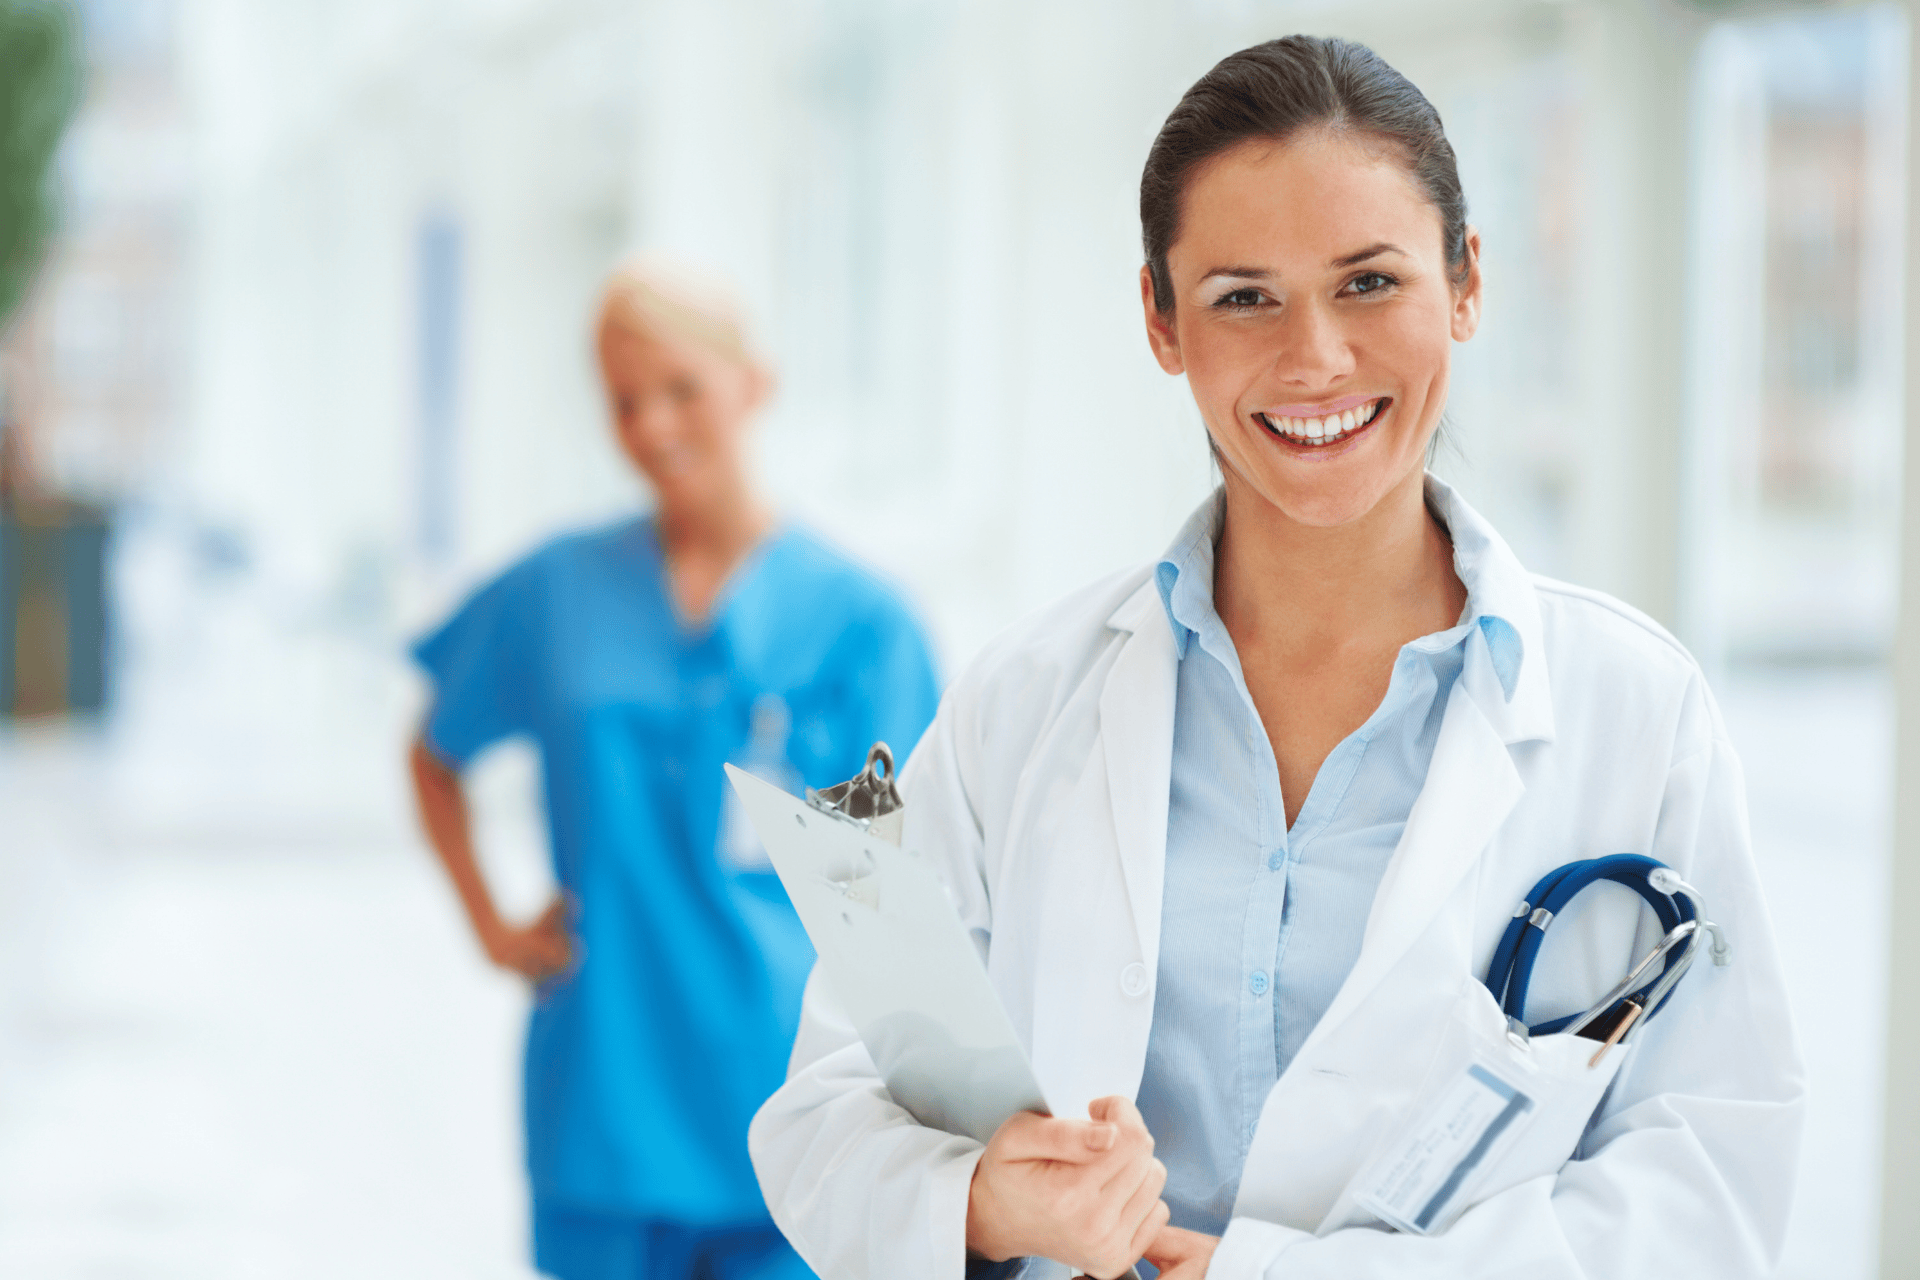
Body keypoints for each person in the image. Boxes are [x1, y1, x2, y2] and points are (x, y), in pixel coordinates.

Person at [749, 35, 1804, 1280]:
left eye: (1370, 283)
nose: (1315, 358)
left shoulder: (1634, 707)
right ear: (1161, 321)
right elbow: (824, 1106)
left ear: (1466, 283)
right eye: (1243, 295)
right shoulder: (1025, 702)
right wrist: (989, 1197)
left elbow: (1711, 1180)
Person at [408, 256, 941, 1280]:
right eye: (623, 400)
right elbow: (434, 752)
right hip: (605, 1096)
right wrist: (489, 920)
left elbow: (907, 896)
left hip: (795, 1103)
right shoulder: (556, 590)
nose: (652, 425)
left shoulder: (863, 624)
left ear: (755, 384)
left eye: (681, 388)